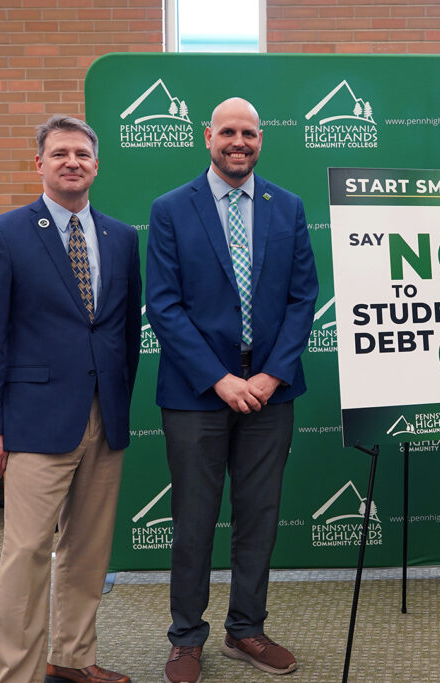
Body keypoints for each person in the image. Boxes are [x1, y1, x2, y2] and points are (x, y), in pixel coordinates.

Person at [0, 115, 141, 683]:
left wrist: (117, 401)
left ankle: (72, 657)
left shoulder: (121, 237)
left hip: (103, 417)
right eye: (60, 153)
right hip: (34, 422)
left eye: (82, 154)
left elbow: (124, 334)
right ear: (39, 163)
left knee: (88, 554)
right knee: (28, 556)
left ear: (96, 164)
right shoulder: (4, 233)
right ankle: (16, 673)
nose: (72, 162)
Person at [146, 97, 318, 682]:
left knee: (259, 516)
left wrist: (270, 374)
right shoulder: (171, 209)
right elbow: (163, 306)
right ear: (207, 137)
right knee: (194, 518)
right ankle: (186, 638)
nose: (237, 142)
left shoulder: (287, 207)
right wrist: (220, 379)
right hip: (197, 392)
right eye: (227, 132)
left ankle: (246, 629)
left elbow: (303, 299)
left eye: (248, 132)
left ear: (261, 139)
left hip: (270, 391)